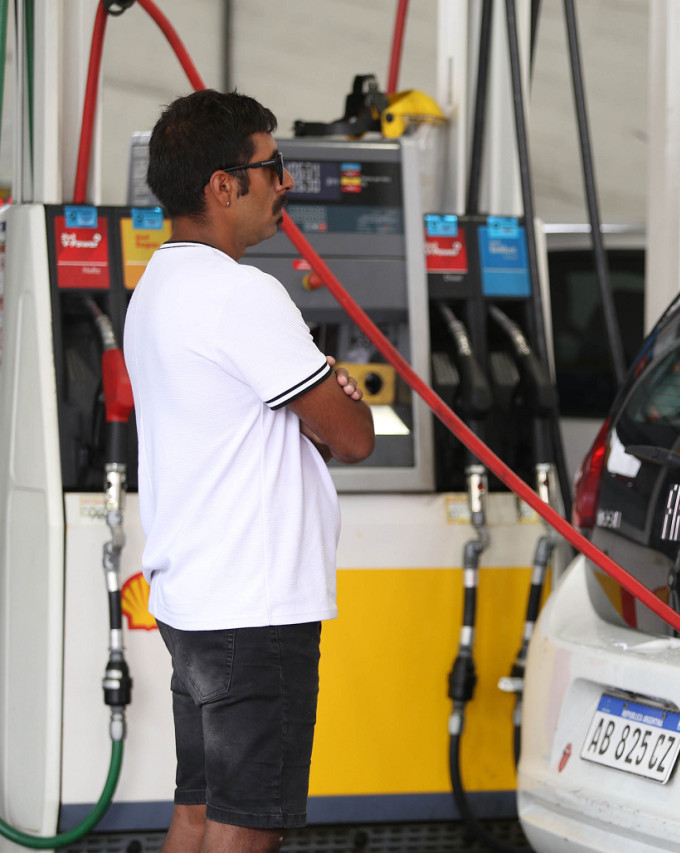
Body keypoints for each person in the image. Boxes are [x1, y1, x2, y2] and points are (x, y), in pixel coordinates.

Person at [124, 89, 374, 853]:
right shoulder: (241, 294)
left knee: (199, 807)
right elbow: (355, 434)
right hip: (255, 610)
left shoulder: (158, 286)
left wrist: (320, 402)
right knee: (248, 819)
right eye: (274, 168)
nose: (285, 184)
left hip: (196, 600)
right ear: (223, 185)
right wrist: (334, 394)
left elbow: (282, 422)